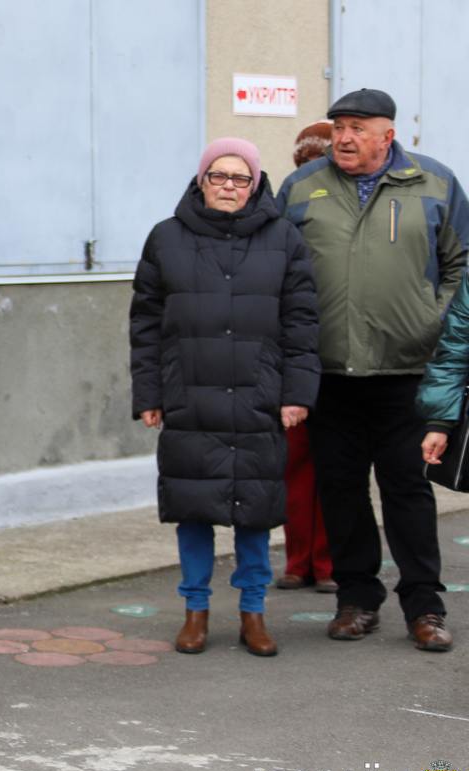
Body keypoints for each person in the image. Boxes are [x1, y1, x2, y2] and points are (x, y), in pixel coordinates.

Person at [277, 88, 465, 651]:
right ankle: (356, 600)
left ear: (388, 133)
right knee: (340, 490)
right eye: (338, 127)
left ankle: (425, 608)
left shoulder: (434, 183)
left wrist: (435, 316)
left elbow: (460, 261)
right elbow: (278, 266)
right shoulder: (302, 187)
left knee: (408, 490)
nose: (344, 137)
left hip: (408, 370)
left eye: (357, 127)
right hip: (330, 371)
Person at [130, 137, 319, 657]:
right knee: (193, 508)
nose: (229, 187)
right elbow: (145, 323)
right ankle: (195, 611)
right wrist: (149, 392)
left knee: (253, 511)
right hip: (188, 394)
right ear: (201, 181)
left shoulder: (284, 238)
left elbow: (302, 323)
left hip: (259, 395)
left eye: (240, 178)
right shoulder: (166, 238)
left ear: (255, 184)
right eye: (219, 176)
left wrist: (297, 393)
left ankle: (253, 613)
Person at [276, 119, 336, 594]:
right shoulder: (290, 201)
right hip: (292, 352)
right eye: (305, 160)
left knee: (334, 464)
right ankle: (301, 560)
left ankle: (326, 561)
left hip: (337, 354)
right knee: (295, 463)